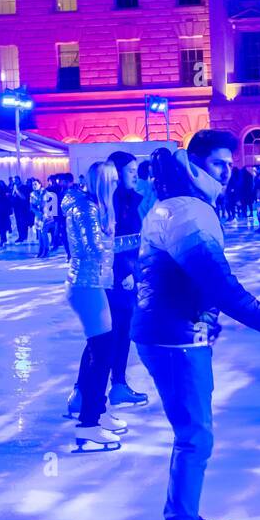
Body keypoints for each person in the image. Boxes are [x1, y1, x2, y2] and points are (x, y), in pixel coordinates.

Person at [132, 131, 260, 520]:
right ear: (197, 164)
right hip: (174, 338)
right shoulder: (188, 212)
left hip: (171, 332)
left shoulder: (175, 205)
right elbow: (219, 283)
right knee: (195, 437)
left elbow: (180, 278)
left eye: (230, 164)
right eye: (221, 164)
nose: (229, 172)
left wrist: (204, 314)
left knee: (192, 436)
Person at [62, 161, 126, 451]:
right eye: (113, 181)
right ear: (104, 182)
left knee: (99, 349)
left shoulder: (91, 205)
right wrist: (141, 240)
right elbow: (93, 248)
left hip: (91, 284)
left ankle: (95, 411)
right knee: (102, 352)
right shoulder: (87, 208)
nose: (117, 186)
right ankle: (89, 424)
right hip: (86, 286)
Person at [106, 151, 148, 406]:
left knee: (119, 332)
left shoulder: (133, 200)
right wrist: (127, 272)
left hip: (127, 275)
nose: (135, 175)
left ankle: (113, 384)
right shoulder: (113, 202)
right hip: (117, 278)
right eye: (130, 171)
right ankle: (111, 385)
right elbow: (114, 242)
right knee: (114, 332)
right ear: (117, 173)